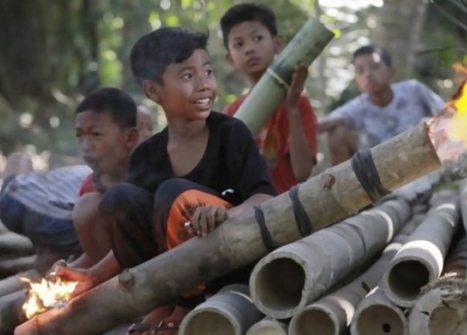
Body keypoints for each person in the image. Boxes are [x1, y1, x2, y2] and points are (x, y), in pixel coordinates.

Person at [57, 27, 277, 334]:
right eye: (188, 76)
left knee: (173, 193)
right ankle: (161, 301)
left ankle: (187, 305)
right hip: (170, 278)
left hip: (226, 262)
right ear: (153, 91)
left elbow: (265, 197)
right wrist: (92, 276)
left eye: (208, 72)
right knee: (119, 199)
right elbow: (139, 231)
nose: (205, 85)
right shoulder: (147, 155)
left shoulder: (231, 133)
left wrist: (228, 213)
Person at [220, 3, 318, 194]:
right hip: (249, 210)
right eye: (239, 44)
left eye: (257, 38)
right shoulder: (232, 114)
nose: (249, 49)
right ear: (230, 58)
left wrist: (292, 109)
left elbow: (302, 172)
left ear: (277, 43)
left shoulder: (298, 103)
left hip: (291, 205)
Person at [67, 91, 154, 269]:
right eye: (79, 135)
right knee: (87, 206)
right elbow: (98, 249)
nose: (85, 147)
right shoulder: (94, 184)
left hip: (161, 262)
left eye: (96, 135)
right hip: (118, 272)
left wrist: (94, 275)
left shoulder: (153, 172)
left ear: (130, 138)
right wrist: (71, 270)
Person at [319, 45, 446, 165]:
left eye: (374, 67)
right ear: (356, 81)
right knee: (336, 133)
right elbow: (325, 123)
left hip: (424, 159)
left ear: (391, 71)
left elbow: (446, 113)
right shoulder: (358, 107)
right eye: (360, 71)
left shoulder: (413, 89)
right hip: (381, 173)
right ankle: (346, 185)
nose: (367, 75)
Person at [0, 153, 91, 272]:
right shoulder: (106, 176)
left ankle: (45, 260)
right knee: (95, 235)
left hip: (11, 198)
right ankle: (48, 262)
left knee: (19, 157)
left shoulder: (86, 170)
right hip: (50, 221)